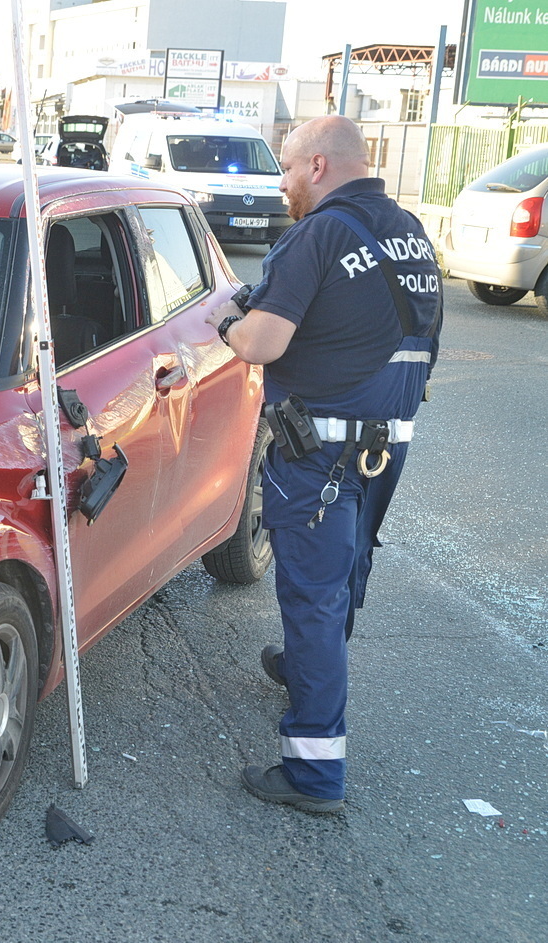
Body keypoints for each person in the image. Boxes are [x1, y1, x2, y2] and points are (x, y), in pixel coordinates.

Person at [204, 116, 442, 813]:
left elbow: (264, 343)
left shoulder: (317, 235)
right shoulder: (410, 233)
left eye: (285, 168)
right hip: (386, 443)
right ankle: (307, 668)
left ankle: (313, 773)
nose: (281, 185)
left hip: (320, 454)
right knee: (343, 573)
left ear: (317, 165)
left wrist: (228, 323)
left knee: (313, 595)